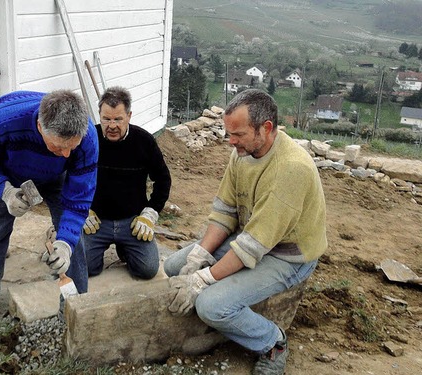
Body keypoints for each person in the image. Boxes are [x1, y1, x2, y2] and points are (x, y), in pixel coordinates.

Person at [164, 89, 327, 375]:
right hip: (251, 238)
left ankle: (273, 342)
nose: (231, 141)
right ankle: (228, 315)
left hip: (287, 256)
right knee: (175, 265)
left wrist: (203, 279)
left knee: (210, 305)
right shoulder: (243, 152)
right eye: (229, 133)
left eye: (237, 134)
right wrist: (199, 256)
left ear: (265, 129)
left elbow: (252, 245)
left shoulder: (291, 169)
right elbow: (225, 212)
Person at [0, 89, 98, 320]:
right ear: (39, 127)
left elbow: (78, 199)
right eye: (58, 147)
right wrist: (5, 192)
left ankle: (75, 301)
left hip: (56, 176)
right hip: (6, 173)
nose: (66, 153)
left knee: (73, 236)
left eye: (71, 148)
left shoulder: (86, 137)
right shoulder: (2, 120)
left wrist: (65, 243)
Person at [83, 86, 171, 280]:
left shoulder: (144, 142)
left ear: (129, 116)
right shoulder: (89, 140)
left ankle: (126, 246)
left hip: (132, 221)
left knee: (147, 270)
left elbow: (163, 179)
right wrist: (82, 209)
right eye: (106, 119)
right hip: (97, 221)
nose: (112, 125)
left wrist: (150, 213)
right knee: (86, 268)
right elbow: (71, 176)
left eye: (118, 119)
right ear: (99, 115)